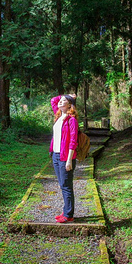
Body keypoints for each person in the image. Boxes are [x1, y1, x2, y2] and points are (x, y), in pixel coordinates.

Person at [49, 93, 79, 223]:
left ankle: (69, 215)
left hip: (65, 156)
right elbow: (53, 100)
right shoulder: (59, 116)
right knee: (62, 185)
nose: (60, 102)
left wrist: (69, 160)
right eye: (60, 101)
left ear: (69, 105)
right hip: (55, 155)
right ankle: (66, 210)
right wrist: (66, 95)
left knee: (66, 185)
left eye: (64, 101)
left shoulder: (72, 120)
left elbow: (73, 141)